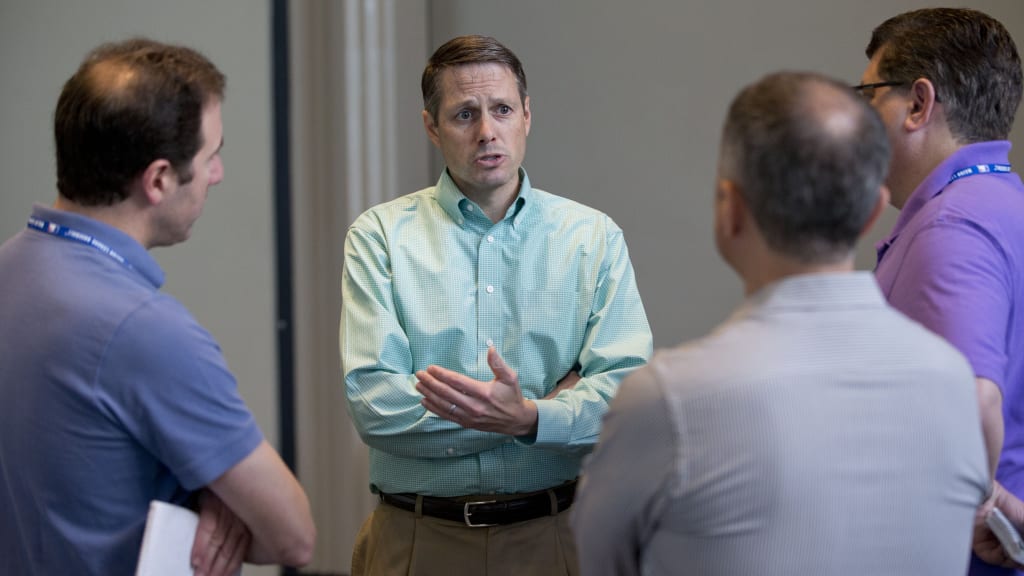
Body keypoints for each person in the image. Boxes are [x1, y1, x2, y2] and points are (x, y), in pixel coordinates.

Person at [572, 71, 990, 576]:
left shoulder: (667, 400)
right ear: (872, 212)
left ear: (730, 209)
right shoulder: (956, 385)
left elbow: (602, 562)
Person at [0, 38, 315, 576]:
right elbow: (293, 536)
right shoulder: (144, 331)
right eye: (210, 156)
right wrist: (216, 500)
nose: (217, 174)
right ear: (159, 179)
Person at [340, 34, 652, 576]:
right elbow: (376, 405)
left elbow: (624, 398)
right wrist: (533, 416)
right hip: (416, 541)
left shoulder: (592, 238)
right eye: (464, 114)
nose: (487, 131)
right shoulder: (380, 237)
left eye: (502, 109)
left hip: (555, 539)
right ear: (432, 127)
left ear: (527, 115)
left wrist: (526, 417)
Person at [857, 8, 1024, 573]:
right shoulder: (1005, 206)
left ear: (918, 104)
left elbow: (973, 400)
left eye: (869, 96)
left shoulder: (954, 225)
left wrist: (977, 505)